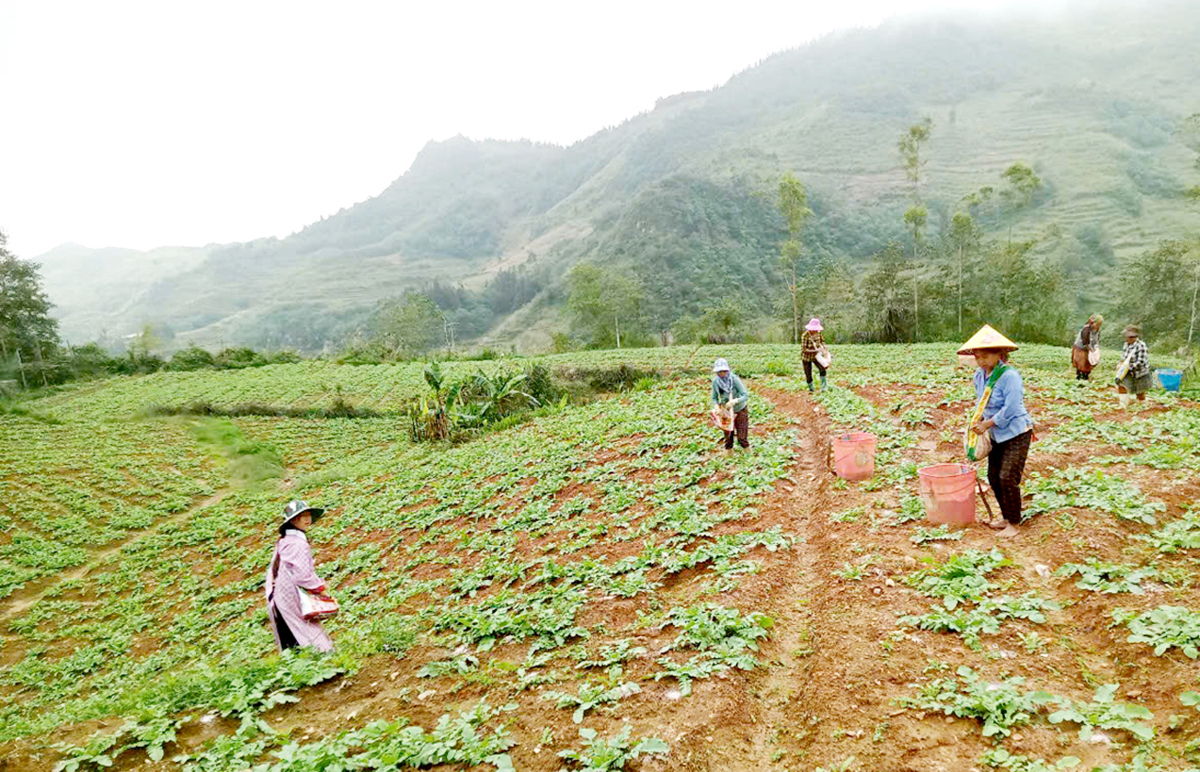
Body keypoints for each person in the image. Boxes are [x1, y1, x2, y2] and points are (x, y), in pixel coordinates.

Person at [959, 325, 1033, 537]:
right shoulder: (979, 376)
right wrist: (977, 419)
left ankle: (1014, 523)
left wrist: (987, 424)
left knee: (1007, 476)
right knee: (993, 476)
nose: (981, 361)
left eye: (985, 356)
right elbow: (981, 402)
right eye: (978, 357)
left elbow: (1011, 408)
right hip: (996, 433)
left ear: (999, 354)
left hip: (1016, 432)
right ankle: (1005, 516)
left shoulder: (1010, 376)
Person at [265, 500, 334, 652]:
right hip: (292, 597)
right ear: (293, 520)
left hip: (284, 597)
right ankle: (322, 661)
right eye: (302, 516)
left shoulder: (286, 541)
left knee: (293, 635)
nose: (307, 519)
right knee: (304, 632)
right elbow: (302, 576)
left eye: (308, 515)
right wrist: (321, 588)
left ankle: (304, 668)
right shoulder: (297, 543)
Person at [710, 358, 750, 452]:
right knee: (728, 437)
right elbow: (714, 398)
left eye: (723, 371)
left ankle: (749, 457)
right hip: (726, 412)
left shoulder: (734, 380)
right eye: (719, 372)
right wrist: (716, 406)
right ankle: (729, 456)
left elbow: (745, 395)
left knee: (742, 438)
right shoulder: (716, 382)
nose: (722, 374)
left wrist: (735, 401)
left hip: (740, 410)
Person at [1116, 324, 1152, 407]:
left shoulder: (1141, 345)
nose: (1126, 338)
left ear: (1134, 337)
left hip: (1139, 373)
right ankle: (1123, 405)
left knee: (1140, 393)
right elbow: (1124, 357)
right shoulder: (1126, 345)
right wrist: (1120, 364)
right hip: (1127, 371)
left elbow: (1141, 362)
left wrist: (1129, 366)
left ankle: (1143, 405)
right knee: (1122, 385)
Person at [1071, 314, 1103, 380]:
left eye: (1099, 325)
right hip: (1081, 349)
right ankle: (1079, 378)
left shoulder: (1097, 331)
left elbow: (1096, 341)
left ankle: (1086, 378)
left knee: (1088, 366)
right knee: (1081, 366)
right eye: (1096, 324)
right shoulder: (1086, 329)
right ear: (1092, 323)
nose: (1097, 326)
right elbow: (1085, 342)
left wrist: (1095, 350)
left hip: (1089, 349)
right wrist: (1091, 350)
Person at [800, 318, 828, 393]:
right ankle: (811, 389)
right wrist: (816, 350)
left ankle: (823, 388)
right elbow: (804, 349)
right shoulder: (805, 336)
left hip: (816, 356)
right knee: (808, 374)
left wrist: (824, 347)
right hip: (806, 357)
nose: (815, 331)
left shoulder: (818, 333)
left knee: (823, 369)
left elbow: (822, 341)